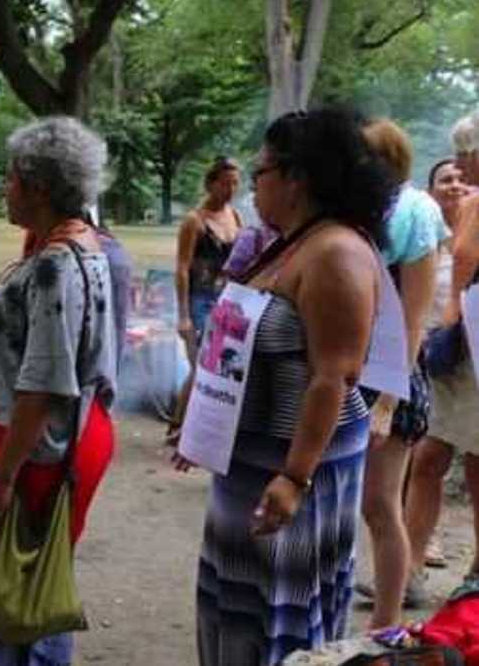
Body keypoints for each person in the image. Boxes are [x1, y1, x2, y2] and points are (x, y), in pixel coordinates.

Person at [185, 107, 391, 665]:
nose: (253, 187)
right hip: (249, 466)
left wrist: (294, 477)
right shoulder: (291, 243)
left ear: (297, 177)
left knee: (280, 615)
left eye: (261, 172)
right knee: (237, 607)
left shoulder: (336, 253)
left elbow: (334, 375)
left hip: (296, 472)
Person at [0, 116, 118, 665]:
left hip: (37, 449)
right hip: (69, 437)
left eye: (11, 178)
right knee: (30, 570)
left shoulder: (56, 267)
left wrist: (1, 480)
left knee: (4, 584)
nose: (4, 187)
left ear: (38, 187)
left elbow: (42, 383)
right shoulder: (84, 245)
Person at [352, 120, 450, 627]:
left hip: (391, 378)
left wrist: (387, 402)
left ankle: (384, 627)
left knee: (379, 505)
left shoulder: (416, 212)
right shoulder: (360, 209)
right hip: (349, 372)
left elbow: (414, 319)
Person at [405, 126, 479, 595]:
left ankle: (473, 572)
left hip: (472, 352)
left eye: (465, 154)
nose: (461, 164)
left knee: (472, 462)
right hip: (457, 351)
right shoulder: (468, 205)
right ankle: (410, 568)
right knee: (431, 455)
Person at [167, 157, 242, 442]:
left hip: (226, 302)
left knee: (219, 369)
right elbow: (182, 269)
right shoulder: (194, 221)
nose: (231, 188)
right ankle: (178, 424)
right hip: (199, 300)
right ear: (211, 183)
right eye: (225, 182)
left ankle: (198, 427)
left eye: (235, 183)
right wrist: (183, 315)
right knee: (200, 366)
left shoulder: (235, 216)